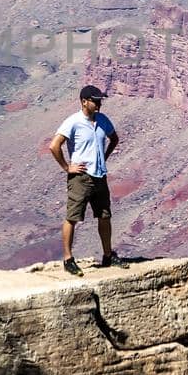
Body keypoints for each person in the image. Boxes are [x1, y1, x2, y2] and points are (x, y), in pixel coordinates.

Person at [49, 85, 124, 275]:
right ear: (84, 102)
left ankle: (108, 256)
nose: (99, 103)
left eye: (100, 100)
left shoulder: (102, 120)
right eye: (95, 100)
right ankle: (68, 260)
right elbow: (54, 145)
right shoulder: (73, 122)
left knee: (104, 216)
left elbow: (114, 138)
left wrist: (103, 158)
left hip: (100, 176)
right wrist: (67, 167)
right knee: (73, 217)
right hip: (80, 177)